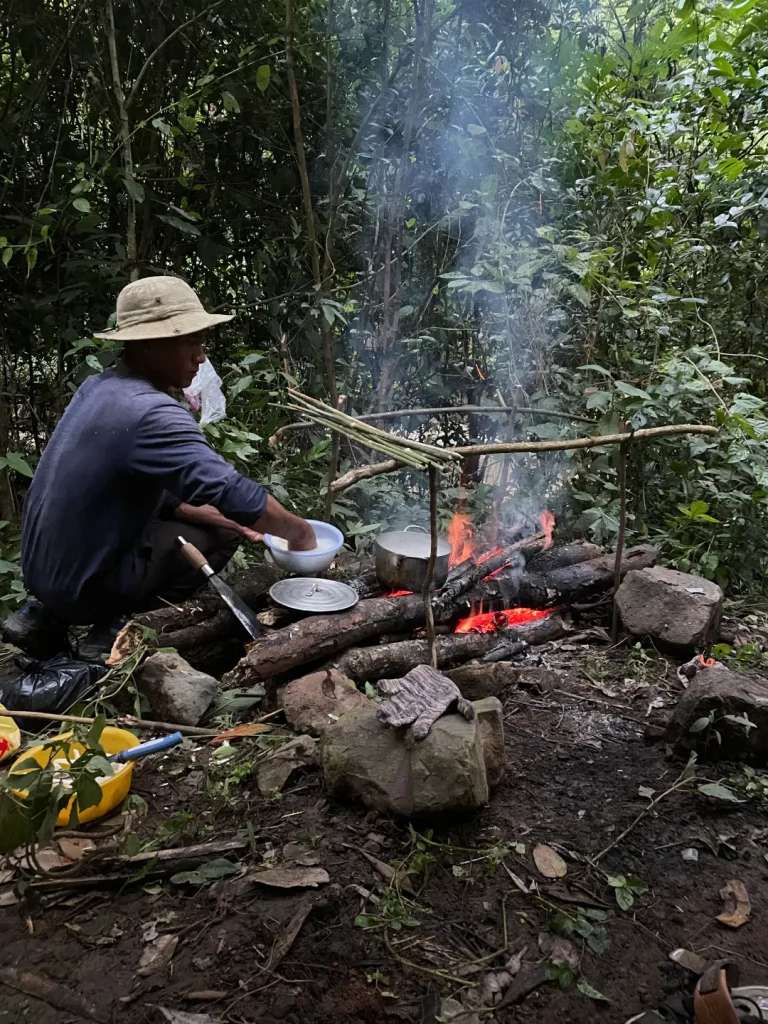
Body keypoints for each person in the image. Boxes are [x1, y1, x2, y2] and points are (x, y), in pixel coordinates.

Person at [5, 275, 315, 658]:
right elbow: (231, 491)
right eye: (191, 342)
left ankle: (50, 614)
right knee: (220, 537)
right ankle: (115, 625)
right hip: (80, 585)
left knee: (222, 522)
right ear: (150, 345)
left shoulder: (100, 387)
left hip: (43, 571)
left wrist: (232, 518)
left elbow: (160, 495)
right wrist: (300, 534)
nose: (201, 357)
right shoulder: (151, 412)